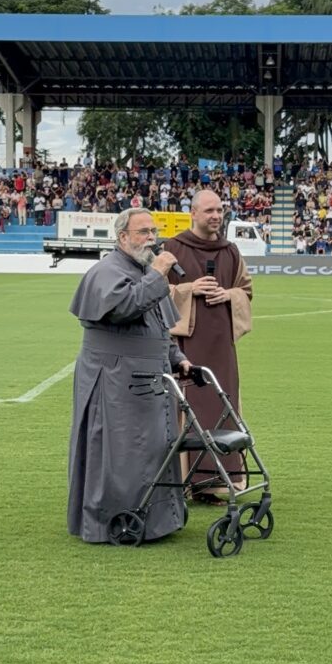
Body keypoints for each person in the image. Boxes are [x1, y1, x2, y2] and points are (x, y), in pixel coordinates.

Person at [68, 208, 191, 544]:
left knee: (154, 449)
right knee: (119, 453)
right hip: (115, 380)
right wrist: (159, 274)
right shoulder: (107, 271)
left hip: (149, 380)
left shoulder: (146, 272)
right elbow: (124, 308)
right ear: (122, 237)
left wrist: (177, 358)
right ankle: (114, 520)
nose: (151, 238)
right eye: (143, 232)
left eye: (154, 231)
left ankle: (157, 519)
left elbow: (159, 328)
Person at [163, 190, 252, 501]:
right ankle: (187, 480)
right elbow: (153, 289)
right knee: (188, 407)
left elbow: (245, 289)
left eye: (220, 210)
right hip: (186, 344)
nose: (216, 216)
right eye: (209, 210)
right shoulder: (172, 248)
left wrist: (229, 295)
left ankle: (220, 480)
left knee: (222, 405)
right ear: (193, 214)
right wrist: (189, 289)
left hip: (221, 346)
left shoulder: (231, 251)